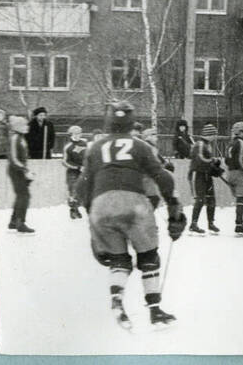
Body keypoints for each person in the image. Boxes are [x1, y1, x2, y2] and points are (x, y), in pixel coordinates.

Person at [75, 101, 185, 329]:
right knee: (149, 257)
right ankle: (154, 310)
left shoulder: (95, 147)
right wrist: (175, 212)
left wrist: (92, 220)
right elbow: (164, 177)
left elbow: (82, 186)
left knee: (119, 261)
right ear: (130, 123)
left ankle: (117, 301)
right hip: (133, 203)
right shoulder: (140, 145)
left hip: (100, 206)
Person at [188, 123, 222, 236]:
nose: (215, 137)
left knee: (211, 199)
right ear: (209, 134)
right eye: (214, 134)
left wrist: (213, 165)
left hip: (206, 175)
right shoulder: (200, 144)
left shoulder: (207, 145)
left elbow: (206, 160)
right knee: (200, 199)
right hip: (198, 175)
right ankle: (193, 224)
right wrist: (212, 161)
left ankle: (210, 223)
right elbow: (200, 159)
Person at [7, 115, 35, 233]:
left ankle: (14, 221)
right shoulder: (15, 138)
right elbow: (13, 158)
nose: (27, 127)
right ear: (19, 127)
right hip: (16, 170)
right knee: (24, 195)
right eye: (25, 125)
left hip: (20, 170)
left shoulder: (22, 138)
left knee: (22, 195)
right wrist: (25, 170)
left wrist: (25, 170)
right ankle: (20, 222)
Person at [141, 127, 175, 210]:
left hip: (148, 178)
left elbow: (159, 159)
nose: (157, 138)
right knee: (153, 199)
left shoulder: (152, 147)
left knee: (153, 199)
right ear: (148, 137)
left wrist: (166, 164)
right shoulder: (148, 147)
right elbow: (154, 162)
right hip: (145, 177)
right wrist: (165, 166)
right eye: (154, 135)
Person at [62, 125, 88, 219]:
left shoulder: (85, 143)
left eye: (79, 133)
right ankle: (73, 210)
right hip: (73, 172)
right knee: (73, 190)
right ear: (71, 134)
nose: (78, 135)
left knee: (82, 191)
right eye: (75, 133)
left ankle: (77, 208)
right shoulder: (68, 146)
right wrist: (77, 167)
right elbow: (64, 161)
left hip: (84, 171)